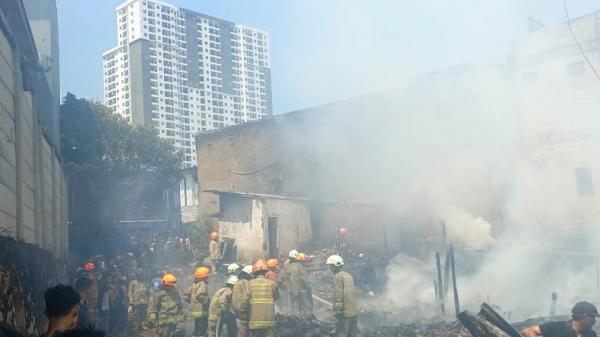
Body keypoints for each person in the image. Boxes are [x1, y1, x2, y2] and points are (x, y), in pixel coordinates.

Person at [521, 302, 599, 337]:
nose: (594, 321)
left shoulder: (590, 334)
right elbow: (528, 332)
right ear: (585, 316)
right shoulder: (558, 327)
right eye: (593, 318)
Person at [326, 255, 359, 337]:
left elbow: (338, 296)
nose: (330, 268)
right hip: (354, 310)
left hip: (345, 312)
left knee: (341, 333)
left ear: (334, 266)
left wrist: (337, 310)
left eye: (331, 265)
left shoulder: (337, 277)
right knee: (352, 334)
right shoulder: (348, 275)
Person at [246, 260, 279, 337]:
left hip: (254, 321)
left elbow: (245, 301)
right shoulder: (272, 284)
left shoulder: (249, 284)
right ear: (265, 272)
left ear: (254, 273)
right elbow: (276, 297)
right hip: (269, 322)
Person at [283, 250, 312, 318]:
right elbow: (305, 279)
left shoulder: (286, 265)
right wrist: (309, 287)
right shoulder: (300, 266)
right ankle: (306, 317)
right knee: (305, 304)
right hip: (300, 290)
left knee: (292, 305)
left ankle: (292, 316)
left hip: (290, 290)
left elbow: (286, 278)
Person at [185, 267, 211, 337]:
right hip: (202, 309)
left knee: (197, 325)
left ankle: (195, 335)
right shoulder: (202, 283)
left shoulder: (195, 283)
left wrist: (193, 302)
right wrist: (207, 301)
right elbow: (200, 294)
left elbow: (186, 296)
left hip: (195, 309)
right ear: (204, 276)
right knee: (202, 326)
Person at [232, 265, 253, 337]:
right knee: (244, 327)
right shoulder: (245, 282)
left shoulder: (237, 282)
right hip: (242, 308)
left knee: (242, 325)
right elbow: (246, 296)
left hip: (236, 308)